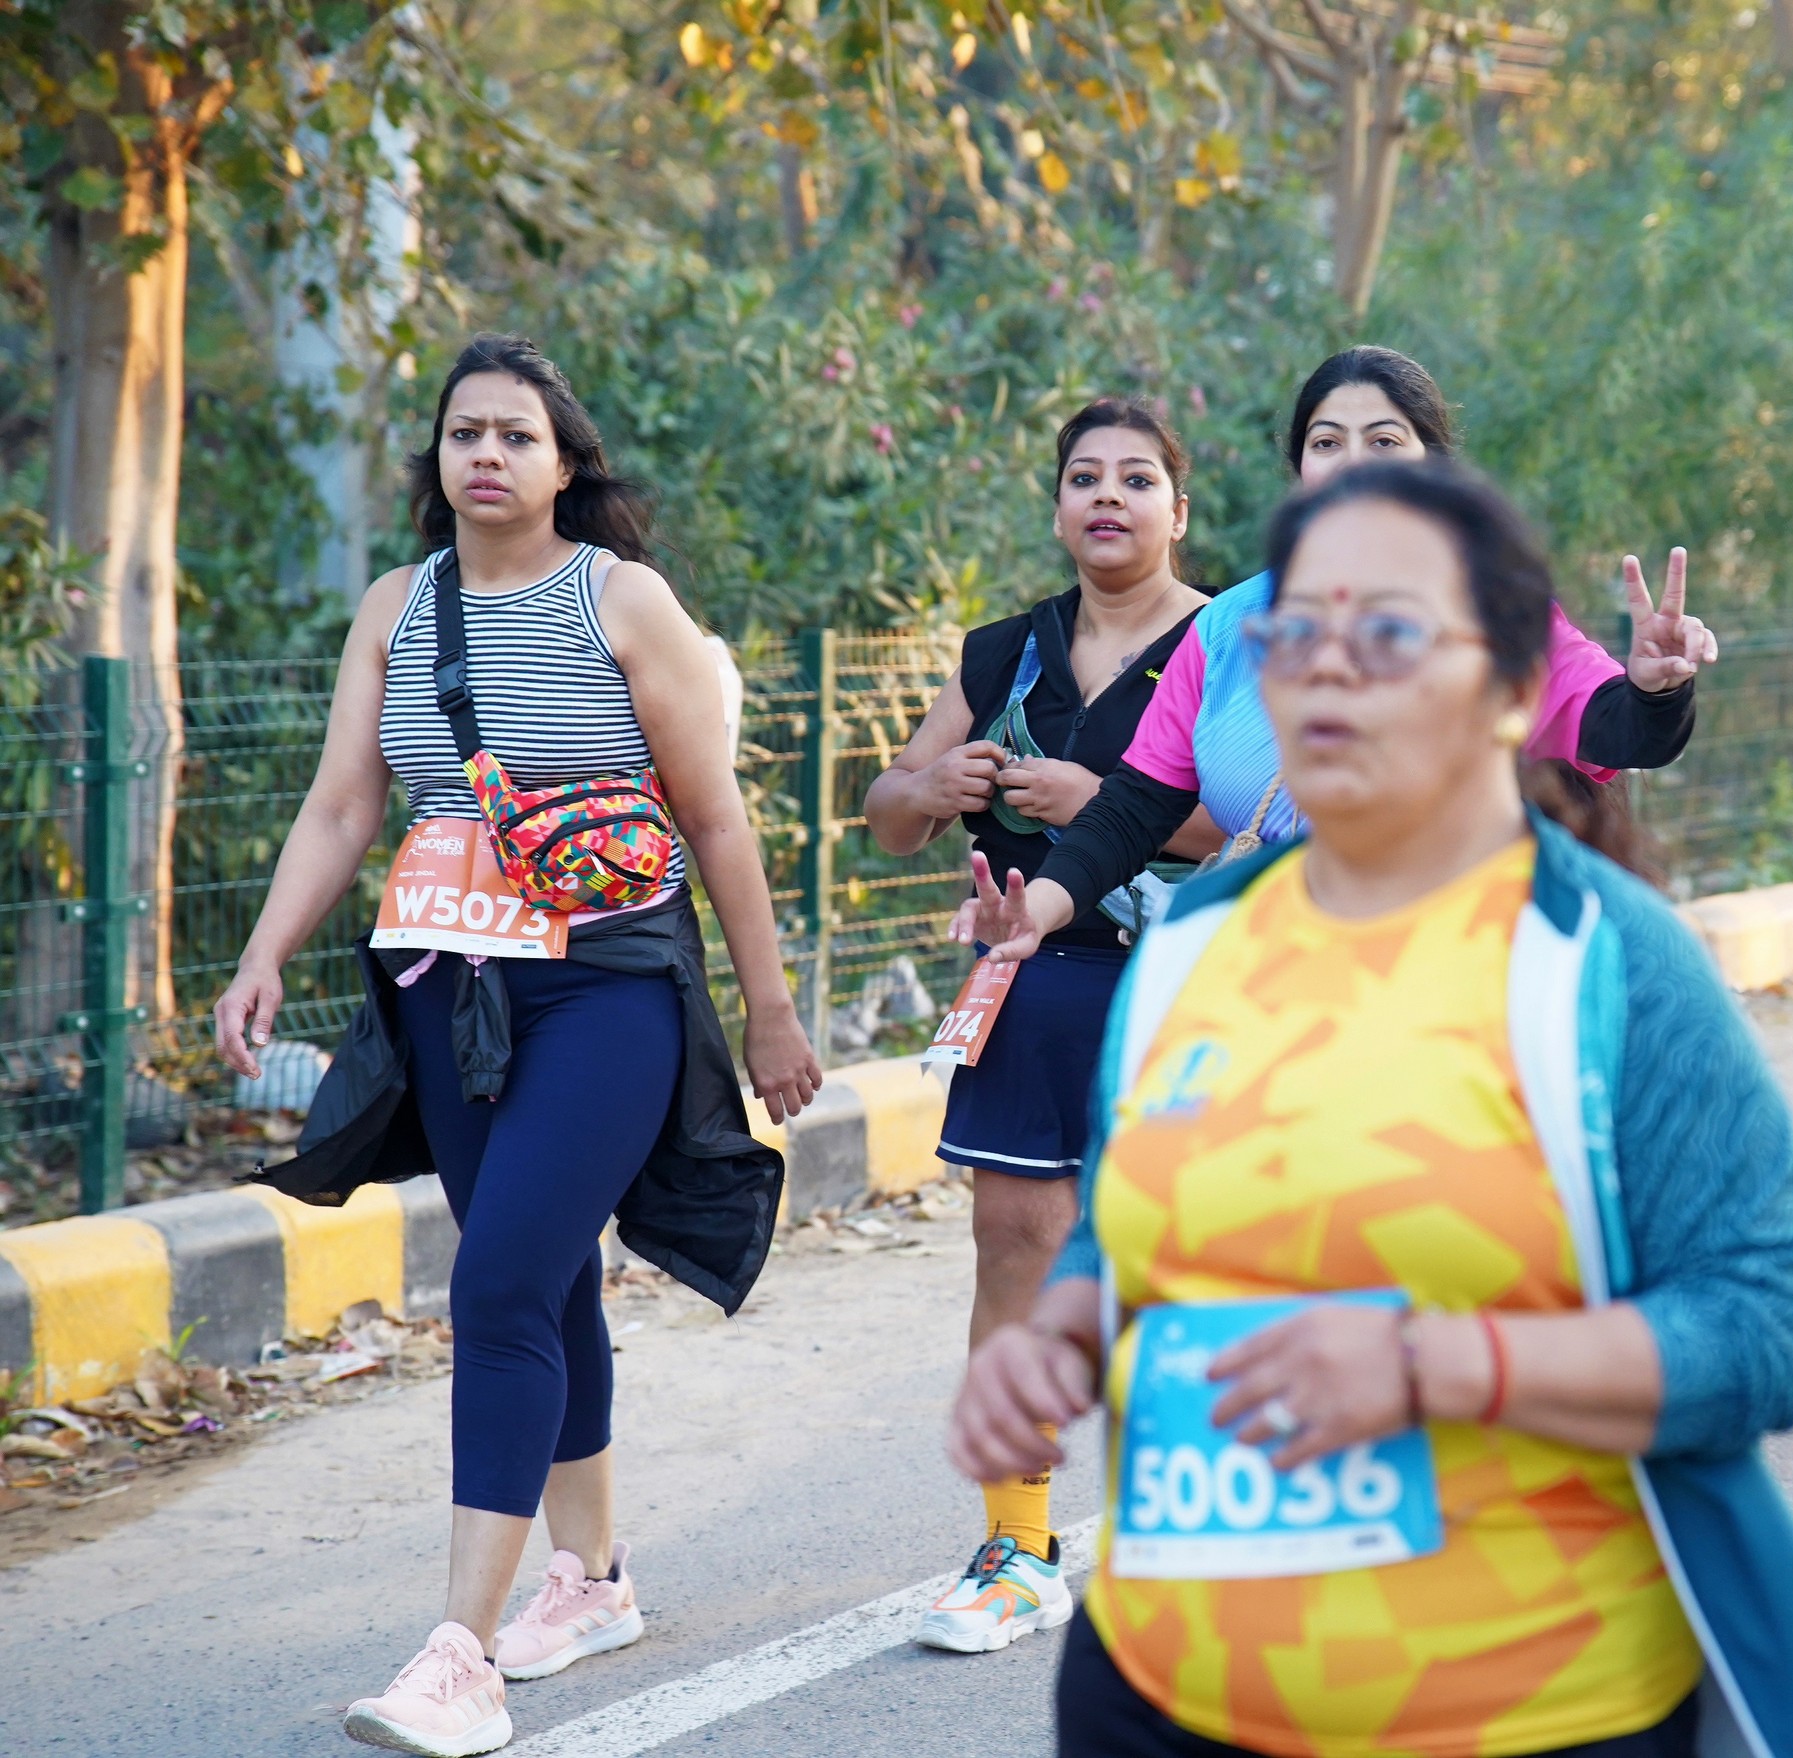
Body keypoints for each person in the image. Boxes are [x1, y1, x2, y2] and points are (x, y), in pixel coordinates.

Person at [947, 460, 1793, 1758]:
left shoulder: (1603, 959)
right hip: (1157, 1700)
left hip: (1529, 1718)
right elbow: (1121, 1231)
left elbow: (1763, 1331)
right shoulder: (1190, 947)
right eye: (1295, 632)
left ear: (1514, 688)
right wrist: (1062, 1337)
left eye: (1390, 632)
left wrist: (1431, 1367)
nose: (1328, 666)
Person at [214, 334, 819, 1757]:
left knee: (493, 1284)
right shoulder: (396, 605)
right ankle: (591, 1579)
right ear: (436, 457)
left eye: (517, 436)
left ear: (563, 464)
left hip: (605, 987)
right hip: (449, 991)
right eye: (464, 432)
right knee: (542, 1279)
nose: (486, 454)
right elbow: (343, 805)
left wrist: (770, 1006)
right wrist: (263, 950)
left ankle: (458, 1654)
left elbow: (714, 816)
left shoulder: (624, 600)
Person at [970, 346, 1717, 960]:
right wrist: (1039, 907)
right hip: (1285, 974)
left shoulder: (1495, 610)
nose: (1353, 462)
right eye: (1326, 443)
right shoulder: (1227, 628)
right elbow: (1132, 808)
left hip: (1466, 964)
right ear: (1300, 471)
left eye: (1384, 441)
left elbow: (1625, 732)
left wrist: (1656, 688)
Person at [864, 397, 1221, 1653]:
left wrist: (1104, 802)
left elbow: (1278, 819)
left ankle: (1204, 1521)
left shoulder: (1227, 645)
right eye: (1085, 477)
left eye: (1137, 478)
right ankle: (1019, 1548)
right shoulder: (1004, 653)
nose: (1108, 496)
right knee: (1015, 1239)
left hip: (1186, 986)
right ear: (1060, 508)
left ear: (1180, 508)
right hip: (1028, 982)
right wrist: (929, 783)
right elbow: (886, 815)